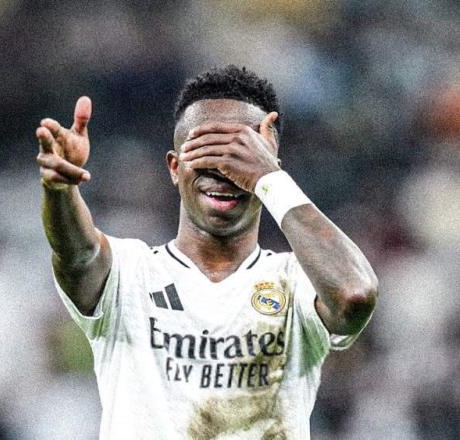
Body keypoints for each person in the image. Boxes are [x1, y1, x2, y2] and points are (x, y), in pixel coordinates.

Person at [36, 65, 378, 440]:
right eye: (205, 152)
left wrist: (269, 179)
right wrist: (61, 191)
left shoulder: (296, 281)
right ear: (174, 167)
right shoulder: (130, 273)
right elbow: (78, 255)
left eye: (239, 155)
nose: (222, 172)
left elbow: (354, 294)